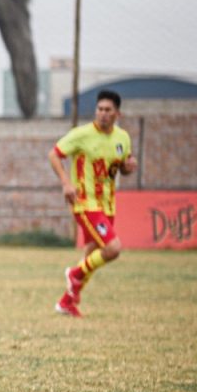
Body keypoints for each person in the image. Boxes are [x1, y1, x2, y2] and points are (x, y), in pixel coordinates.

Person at [49, 89, 137, 317]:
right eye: (100, 109)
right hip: (85, 203)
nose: (103, 113)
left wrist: (128, 168)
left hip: (108, 205)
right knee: (113, 248)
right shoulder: (81, 134)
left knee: (91, 255)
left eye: (108, 110)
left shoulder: (123, 138)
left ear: (117, 114)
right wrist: (66, 183)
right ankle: (74, 275)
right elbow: (54, 154)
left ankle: (66, 302)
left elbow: (121, 168)